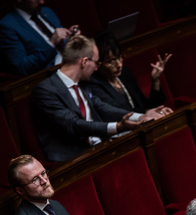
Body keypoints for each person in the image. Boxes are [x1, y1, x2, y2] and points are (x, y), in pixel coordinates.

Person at [30, 35, 170, 162]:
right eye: (97, 63)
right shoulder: (45, 90)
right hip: (73, 158)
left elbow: (103, 108)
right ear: (84, 62)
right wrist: (118, 127)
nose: (97, 69)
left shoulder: (82, 85)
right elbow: (74, 125)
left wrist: (141, 117)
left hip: (100, 146)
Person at [83, 31, 172, 113]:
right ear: (98, 64)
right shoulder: (94, 85)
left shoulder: (124, 74)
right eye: (111, 61)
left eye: (119, 57)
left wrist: (155, 80)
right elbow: (121, 113)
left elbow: (146, 105)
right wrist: (149, 113)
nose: (119, 65)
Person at [0, 0, 81, 76]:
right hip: (53, 75)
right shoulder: (7, 27)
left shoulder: (46, 11)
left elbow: (61, 44)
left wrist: (69, 38)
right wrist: (51, 43)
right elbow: (22, 67)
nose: (42, 2)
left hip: (74, 62)